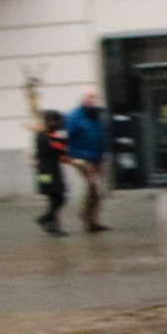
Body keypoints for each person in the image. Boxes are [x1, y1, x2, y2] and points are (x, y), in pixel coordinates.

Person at [62, 87, 111, 231]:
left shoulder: (97, 114)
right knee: (93, 184)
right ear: (83, 99)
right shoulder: (74, 116)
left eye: (94, 97)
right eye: (89, 97)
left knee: (99, 189)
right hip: (81, 158)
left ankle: (92, 220)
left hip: (96, 156)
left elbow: (102, 134)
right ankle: (85, 217)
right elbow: (66, 137)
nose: (92, 100)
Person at [33, 109, 70, 236]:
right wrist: (62, 143)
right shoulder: (43, 135)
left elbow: (61, 151)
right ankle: (51, 225)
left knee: (58, 199)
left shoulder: (52, 135)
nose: (58, 124)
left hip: (52, 171)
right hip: (45, 174)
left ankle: (47, 221)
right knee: (56, 199)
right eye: (56, 121)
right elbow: (54, 150)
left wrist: (63, 144)